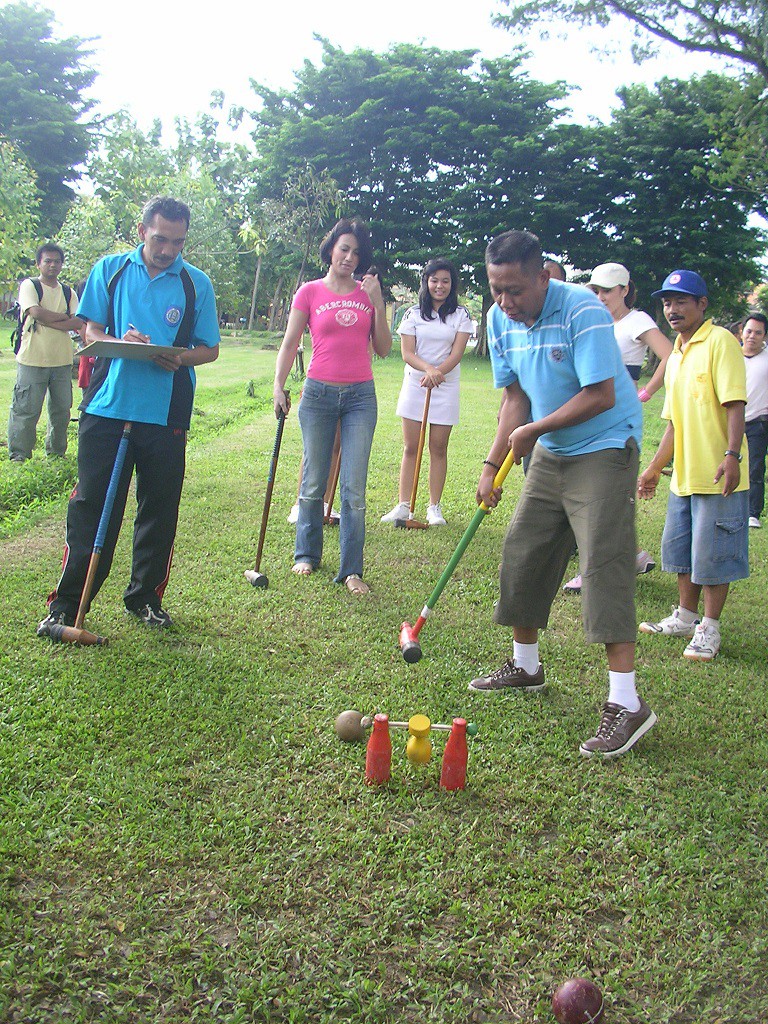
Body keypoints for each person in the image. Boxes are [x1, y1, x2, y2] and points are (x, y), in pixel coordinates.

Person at [469, 229, 656, 759]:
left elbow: (601, 394)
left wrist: (532, 432)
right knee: (524, 549)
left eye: (515, 290)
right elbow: (515, 398)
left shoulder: (581, 310)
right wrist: (492, 462)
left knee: (603, 562)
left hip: (603, 444)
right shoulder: (499, 318)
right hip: (550, 447)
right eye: (495, 289)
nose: (505, 301)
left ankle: (628, 703)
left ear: (544, 276)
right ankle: (525, 666)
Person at [37, 196, 220, 636]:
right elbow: (90, 329)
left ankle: (144, 598)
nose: (168, 250)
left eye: (177, 242)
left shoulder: (196, 283)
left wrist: (180, 358)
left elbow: (209, 348)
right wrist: (122, 338)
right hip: (106, 406)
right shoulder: (110, 269)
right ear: (142, 232)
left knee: (159, 508)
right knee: (91, 507)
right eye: (160, 239)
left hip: (166, 412)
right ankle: (66, 605)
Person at [272, 217, 392, 595]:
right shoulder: (309, 291)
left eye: (357, 252)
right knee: (313, 479)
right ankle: (306, 554)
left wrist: (377, 301)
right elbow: (291, 342)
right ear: (331, 249)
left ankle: (351, 570)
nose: (350, 257)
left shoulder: (368, 293)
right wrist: (278, 385)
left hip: (360, 396)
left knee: (353, 488)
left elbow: (385, 349)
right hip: (318, 394)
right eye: (344, 249)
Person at [637, 270, 747, 662]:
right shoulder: (677, 354)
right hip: (683, 475)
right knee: (682, 551)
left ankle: (710, 629)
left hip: (719, 473)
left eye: (681, 300)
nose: (672, 309)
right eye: (667, 302)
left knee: (715, 555)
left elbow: (735, 404)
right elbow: (674, 422)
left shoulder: (720, 342)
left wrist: (732, 456)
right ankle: (685, 616)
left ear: (702, 304)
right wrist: (653, 468)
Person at [563, 261, 673, 592]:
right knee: (595, 493)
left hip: (615, 420)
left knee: (596, 493)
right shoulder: (590, 319)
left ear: (624, 290)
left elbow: (670, 354)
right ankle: (633, 556)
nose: (600, 296)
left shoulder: (637, 320)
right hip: (587, 414)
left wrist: (648, 390)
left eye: (607, 291)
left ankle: (593, 568)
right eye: (595, 290)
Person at [381, 258, 472, 526]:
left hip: (445, 385)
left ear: (452, 284)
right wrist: (428, 371)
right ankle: (403, 504)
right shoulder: (412, 314)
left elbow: (457, 354)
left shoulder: (461, 315)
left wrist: (437, 373)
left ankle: (434, 507)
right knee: (411, 447)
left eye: (445, 281)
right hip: (416, 383)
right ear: (426, 282)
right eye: (434, 280)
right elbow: (408, 353)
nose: (439, 286)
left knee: (438, 448)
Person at [8, 244, 82, 462]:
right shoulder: (29, 286)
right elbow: (35, 312)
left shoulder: (68, 292)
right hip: (33, 359)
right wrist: (63, 318)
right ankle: (19, 456)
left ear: (62, 264)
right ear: (38, 263)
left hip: (61, 361)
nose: (52, 265)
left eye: (57, 261)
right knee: (26, 411)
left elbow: (78, 321)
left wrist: (46, 320)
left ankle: (56, 454)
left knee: (61, 412)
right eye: (48, 261)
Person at [742, 313, 768, 529]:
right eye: (749, 331)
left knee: (755, 468)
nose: (752, 336)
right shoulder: (731, 355)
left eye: (758, 332)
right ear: (742, 331)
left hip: (758, 422)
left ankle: (753, 513)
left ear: (764, 336)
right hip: (729, 420)